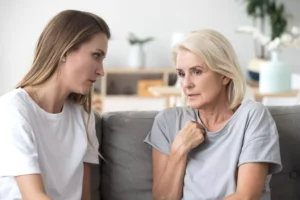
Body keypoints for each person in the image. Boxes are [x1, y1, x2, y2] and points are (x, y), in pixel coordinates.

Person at [144, 29, 282, 200]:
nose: (186, 84)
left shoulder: (253, 116)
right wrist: (179, 150)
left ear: (224, 74)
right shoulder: (167, 122)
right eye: (181, 73)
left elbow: (246, 197)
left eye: (197, 71)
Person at [0, 10, 110, 200]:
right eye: (96, 55)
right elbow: (34, 196)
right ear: (65, 51)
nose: (101, 71)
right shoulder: (14, 109)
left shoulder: (84, 117)